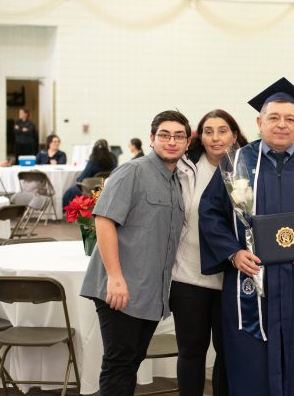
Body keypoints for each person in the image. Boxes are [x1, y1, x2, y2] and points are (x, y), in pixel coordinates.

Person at [198, 77, 294, 396]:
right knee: (249, 361)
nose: (282, 125)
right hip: (251, 280)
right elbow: (211, 214)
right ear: (259, 121)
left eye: (290, 119)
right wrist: (233, 253)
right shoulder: (235, 164)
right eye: (274, 118)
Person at [80, 110, 190, 396]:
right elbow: (104, 221)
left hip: (149, 292)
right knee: (119, 364)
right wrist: (115, 277)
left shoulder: (176, 181)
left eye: (179, 136)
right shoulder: (133, 171)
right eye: (164, 135)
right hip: (121, 289)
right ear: (152, 138)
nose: (171, 141)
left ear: (188, 143)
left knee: (130, 362)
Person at [170, 109, 247, 396]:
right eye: (209, 131)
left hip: (232, 278)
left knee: (227, 353)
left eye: (223, 130)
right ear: (199, 137)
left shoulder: (248, 169)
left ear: (235, 135)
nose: (216, 138)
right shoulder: (184, 169)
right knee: (191, 351)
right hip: (189, 276)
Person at [62, 139, 117, 207]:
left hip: (91, 189)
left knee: (70, 191)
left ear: (94, 149)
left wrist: (78, 180)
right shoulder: (113, 159)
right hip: (107, 188)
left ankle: (64, 211)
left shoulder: (94, 160)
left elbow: (82, 178)